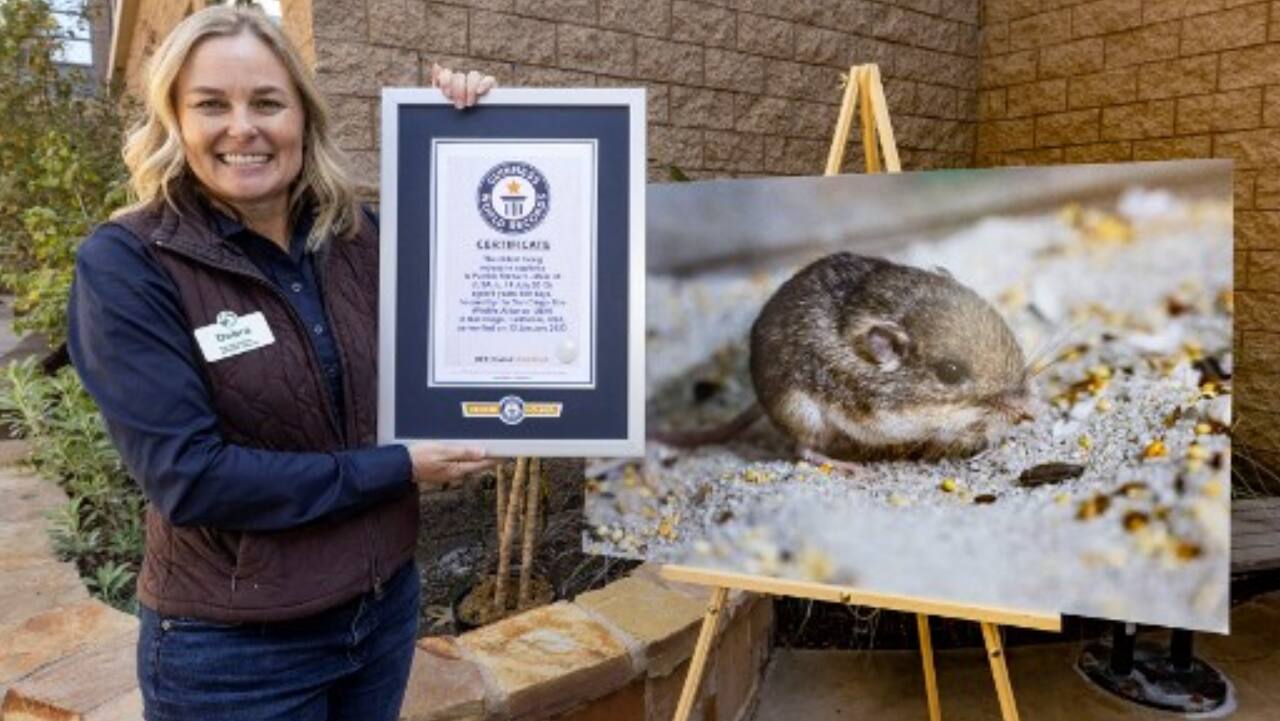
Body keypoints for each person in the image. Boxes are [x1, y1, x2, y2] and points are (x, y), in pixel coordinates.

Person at [65, 6, 496, 720]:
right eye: (211, 104)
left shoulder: (360, 238)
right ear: (174, 117)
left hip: (382, 613)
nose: (244, 127)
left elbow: (488, 268)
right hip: (237, 650)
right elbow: (191, 476)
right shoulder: (131, 264)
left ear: (303, 116)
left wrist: (476, 129)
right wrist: (399, 465)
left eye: (267, 101)